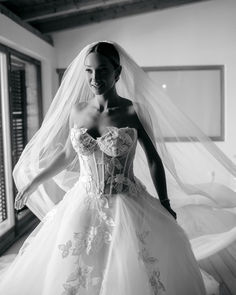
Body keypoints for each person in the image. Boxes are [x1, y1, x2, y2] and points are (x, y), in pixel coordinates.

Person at [0, 41, 235, 294]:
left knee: (131, 267)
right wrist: (33, 181)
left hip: (127, 200)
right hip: (83, 201)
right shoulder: (76, 110)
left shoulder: (134, 111)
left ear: (117, 73)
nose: (94, 77)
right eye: (88, 71)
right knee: (76, 267)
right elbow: (68, 155)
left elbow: (154, 158)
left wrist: (165, 202)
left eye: (101, 70)